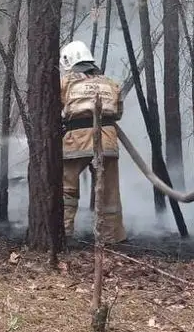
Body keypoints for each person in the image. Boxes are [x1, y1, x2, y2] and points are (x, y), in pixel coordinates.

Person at [59, 40, 126, 244]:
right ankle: (111, 237)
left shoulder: (65, 82)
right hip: (107, 140)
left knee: (66, 187)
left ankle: (63, 232)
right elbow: (118, 113)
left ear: (68, 61)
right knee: (109, 192)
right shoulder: (111, 83)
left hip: (76, 140)